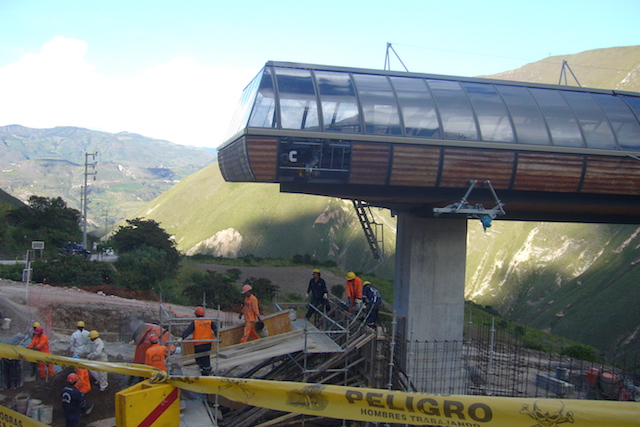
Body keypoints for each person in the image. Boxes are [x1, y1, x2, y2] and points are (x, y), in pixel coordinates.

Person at [181, 307, 217, 376]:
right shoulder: (209, 320)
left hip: (198, 344)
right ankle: (207, 369)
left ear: (196, 315)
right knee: (206, 357)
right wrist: (218, 336)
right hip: (207, 343)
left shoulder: (195, 322)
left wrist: (182, 338)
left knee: (198, 358)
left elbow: (188, 331)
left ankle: (204, 371)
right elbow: (215, 329)